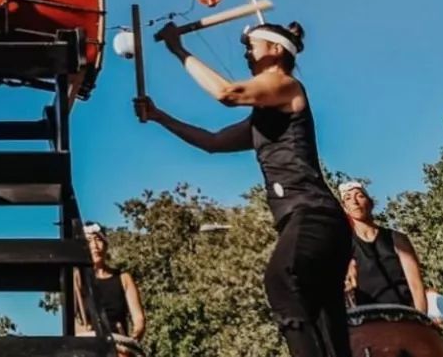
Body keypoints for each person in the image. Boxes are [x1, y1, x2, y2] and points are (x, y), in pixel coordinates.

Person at [135, 20, 352, 357]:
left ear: (276, 49)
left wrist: (179, 50)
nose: (246, 54)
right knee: (323, 322)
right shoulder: (263, 118)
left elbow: (227, 93)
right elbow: (213, 142)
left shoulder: (287, 84)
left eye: (252, 45)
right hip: (317, 224)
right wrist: (161, 116)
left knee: (281, 282)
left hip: (312, 215)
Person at [339, 180, 427, 312]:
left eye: (360, 196)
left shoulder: (396, 239)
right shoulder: (345, 245)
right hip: (369, 320)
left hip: (405, 315)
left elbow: (416, 284)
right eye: (348, 198)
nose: (354, 202)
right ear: (345, 208)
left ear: (371, 203)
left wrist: (420, 320)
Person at [73, 223, 145, 343]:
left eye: (98, 240)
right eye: (89, 241)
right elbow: (71, 321)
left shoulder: (124, 279)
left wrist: (134, 336)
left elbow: (139, 319)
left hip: (119, 343)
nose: (94, 246)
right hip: (88, 344)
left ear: (106, 245)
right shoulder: (76, 280)